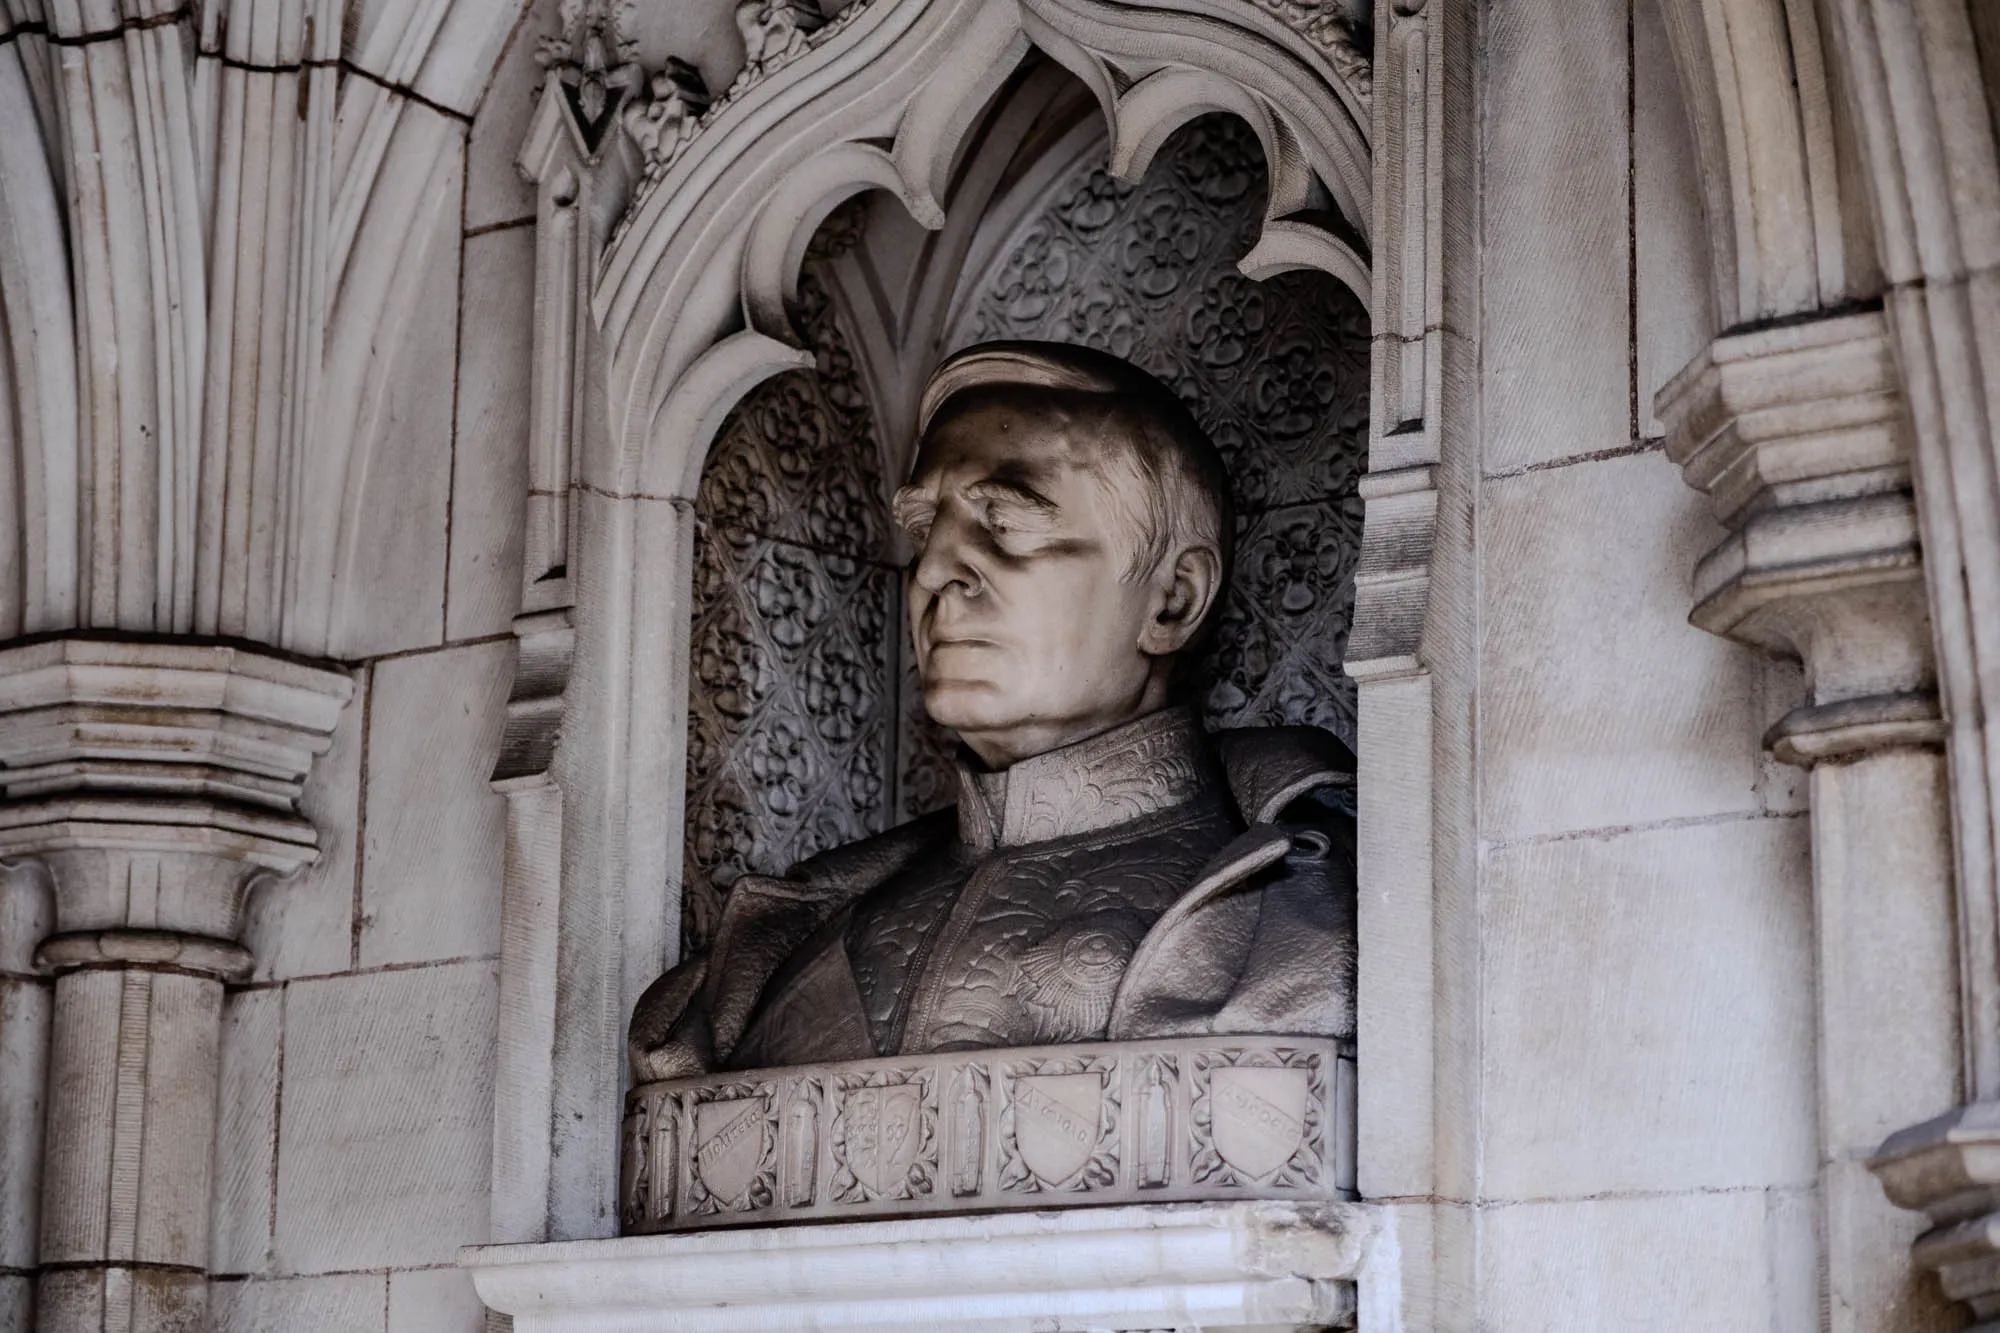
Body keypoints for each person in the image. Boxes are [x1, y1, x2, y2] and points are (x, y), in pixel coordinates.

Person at [629, 340, 1356, 1081]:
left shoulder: (1317, 920)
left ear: (1174, 599)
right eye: (922, 531)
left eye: (1005, 522)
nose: (933, 572)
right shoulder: (787, 943)